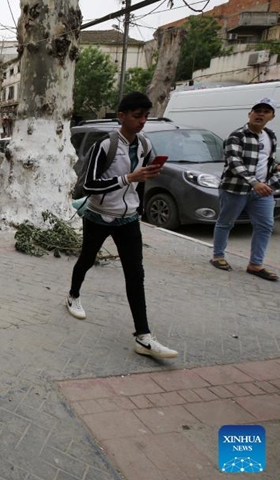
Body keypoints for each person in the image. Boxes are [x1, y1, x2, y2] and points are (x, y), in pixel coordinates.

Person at [66, 91, 178, 359]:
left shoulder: (144, 145)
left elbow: (142, 174)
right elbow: (89, 184)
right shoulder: (105, 146)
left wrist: (150, 172)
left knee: (135, 274)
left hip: (128, 219)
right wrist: (128, 178)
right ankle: (73, 295)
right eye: (137, 116)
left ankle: (143, 336)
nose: (142, 121)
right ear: (121, 116)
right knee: (87, 258)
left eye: (145, 117)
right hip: (99, 215)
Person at [210, 98, 280, 281]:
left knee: (265, 226)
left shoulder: (271, 136)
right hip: (235, 189)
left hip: (262, 191)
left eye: (265, 112)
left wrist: (278, 167)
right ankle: (218, 256)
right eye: (257, 110)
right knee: (226, 222)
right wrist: (254, 182)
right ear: (250, 114)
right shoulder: (237, 136)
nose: (260, 114)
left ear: (272, 116)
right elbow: (234, 162)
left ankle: (255, 264)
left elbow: (265, 163)